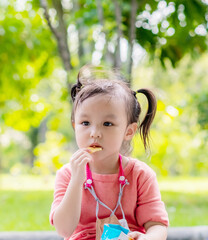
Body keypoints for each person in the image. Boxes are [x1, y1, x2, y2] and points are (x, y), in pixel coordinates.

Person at [50, 65, 169, 240]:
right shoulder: (67, 175)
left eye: (107, 124)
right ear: (75, 125)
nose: (94, 133)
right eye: (85, 123)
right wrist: (77, 180)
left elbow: (157, 225)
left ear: (128, 131)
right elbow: (64, 230)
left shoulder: (140, 175)